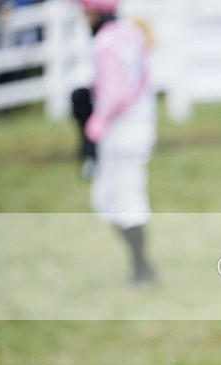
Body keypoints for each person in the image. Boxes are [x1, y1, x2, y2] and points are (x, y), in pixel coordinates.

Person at [77, 0, 156, 285]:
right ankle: (142, 267)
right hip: (140, 126)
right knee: (115, 199)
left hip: (120, 131)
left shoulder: (105, 43)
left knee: (119, 201)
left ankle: (142, 269)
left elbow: (115, 94)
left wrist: (93, 126)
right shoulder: (130, 33)